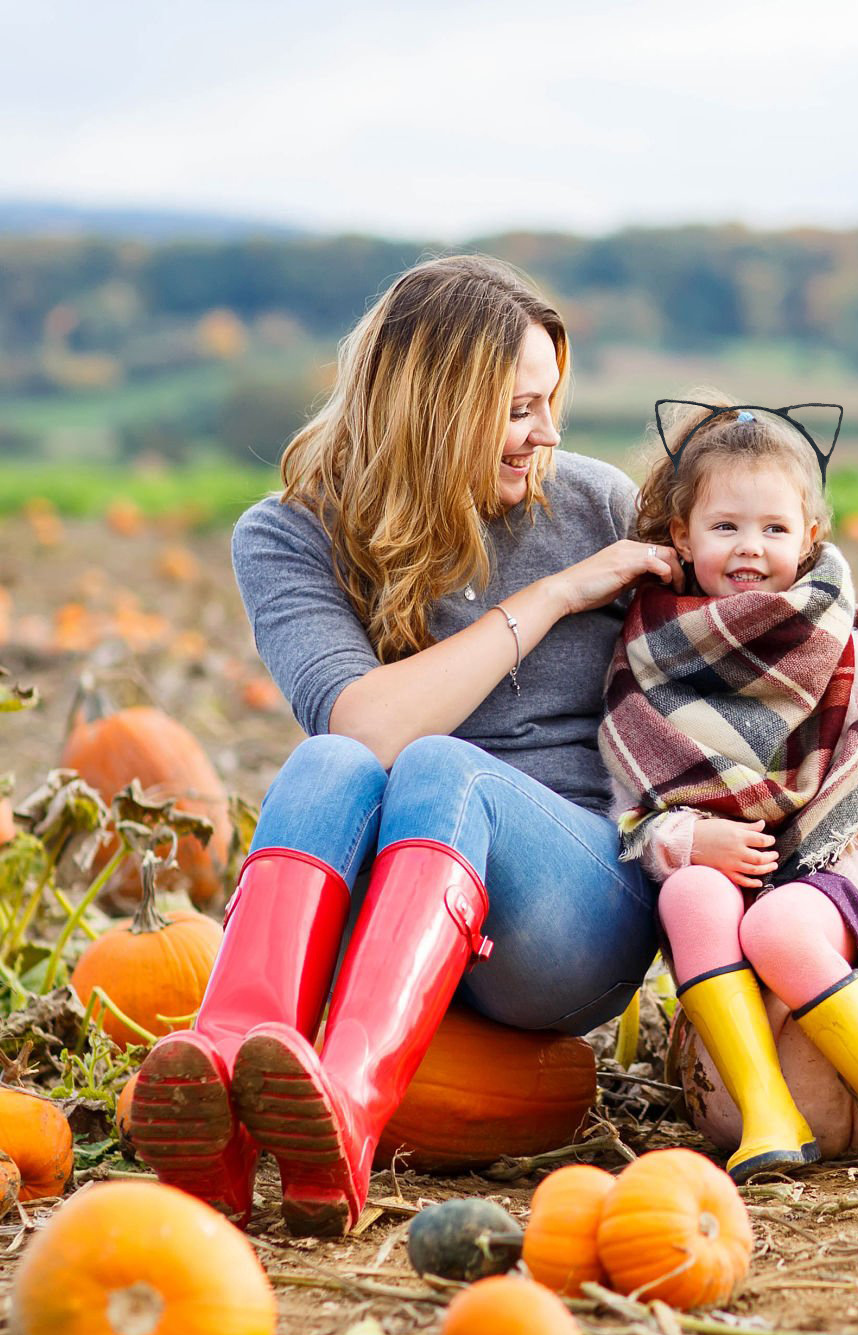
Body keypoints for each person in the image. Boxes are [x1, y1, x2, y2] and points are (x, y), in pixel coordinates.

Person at [130, 255, 678, 1237]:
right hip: (397, 923)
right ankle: (226, 1076)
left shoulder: (597, 507)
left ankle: (348, 1105)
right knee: (331, 759)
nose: (548, 435)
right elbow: (365, 727)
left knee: (438, 765)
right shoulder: (291, 534)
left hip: (578, 914)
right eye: (518, 410)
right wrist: (552, 598)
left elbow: (770, 592)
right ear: (434, 411)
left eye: (550, 403)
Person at [599, 397, 858, 1185]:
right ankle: (767, 1113)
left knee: (779, 921)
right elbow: (629, 812)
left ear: (809, 536)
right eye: (724, 526)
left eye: (774, 528)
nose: (749, 547)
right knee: (687, 893)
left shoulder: (849, 650)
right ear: (681, 535)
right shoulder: (651, 658)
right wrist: (687, 838)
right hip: (734, 886)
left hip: (839, 877)